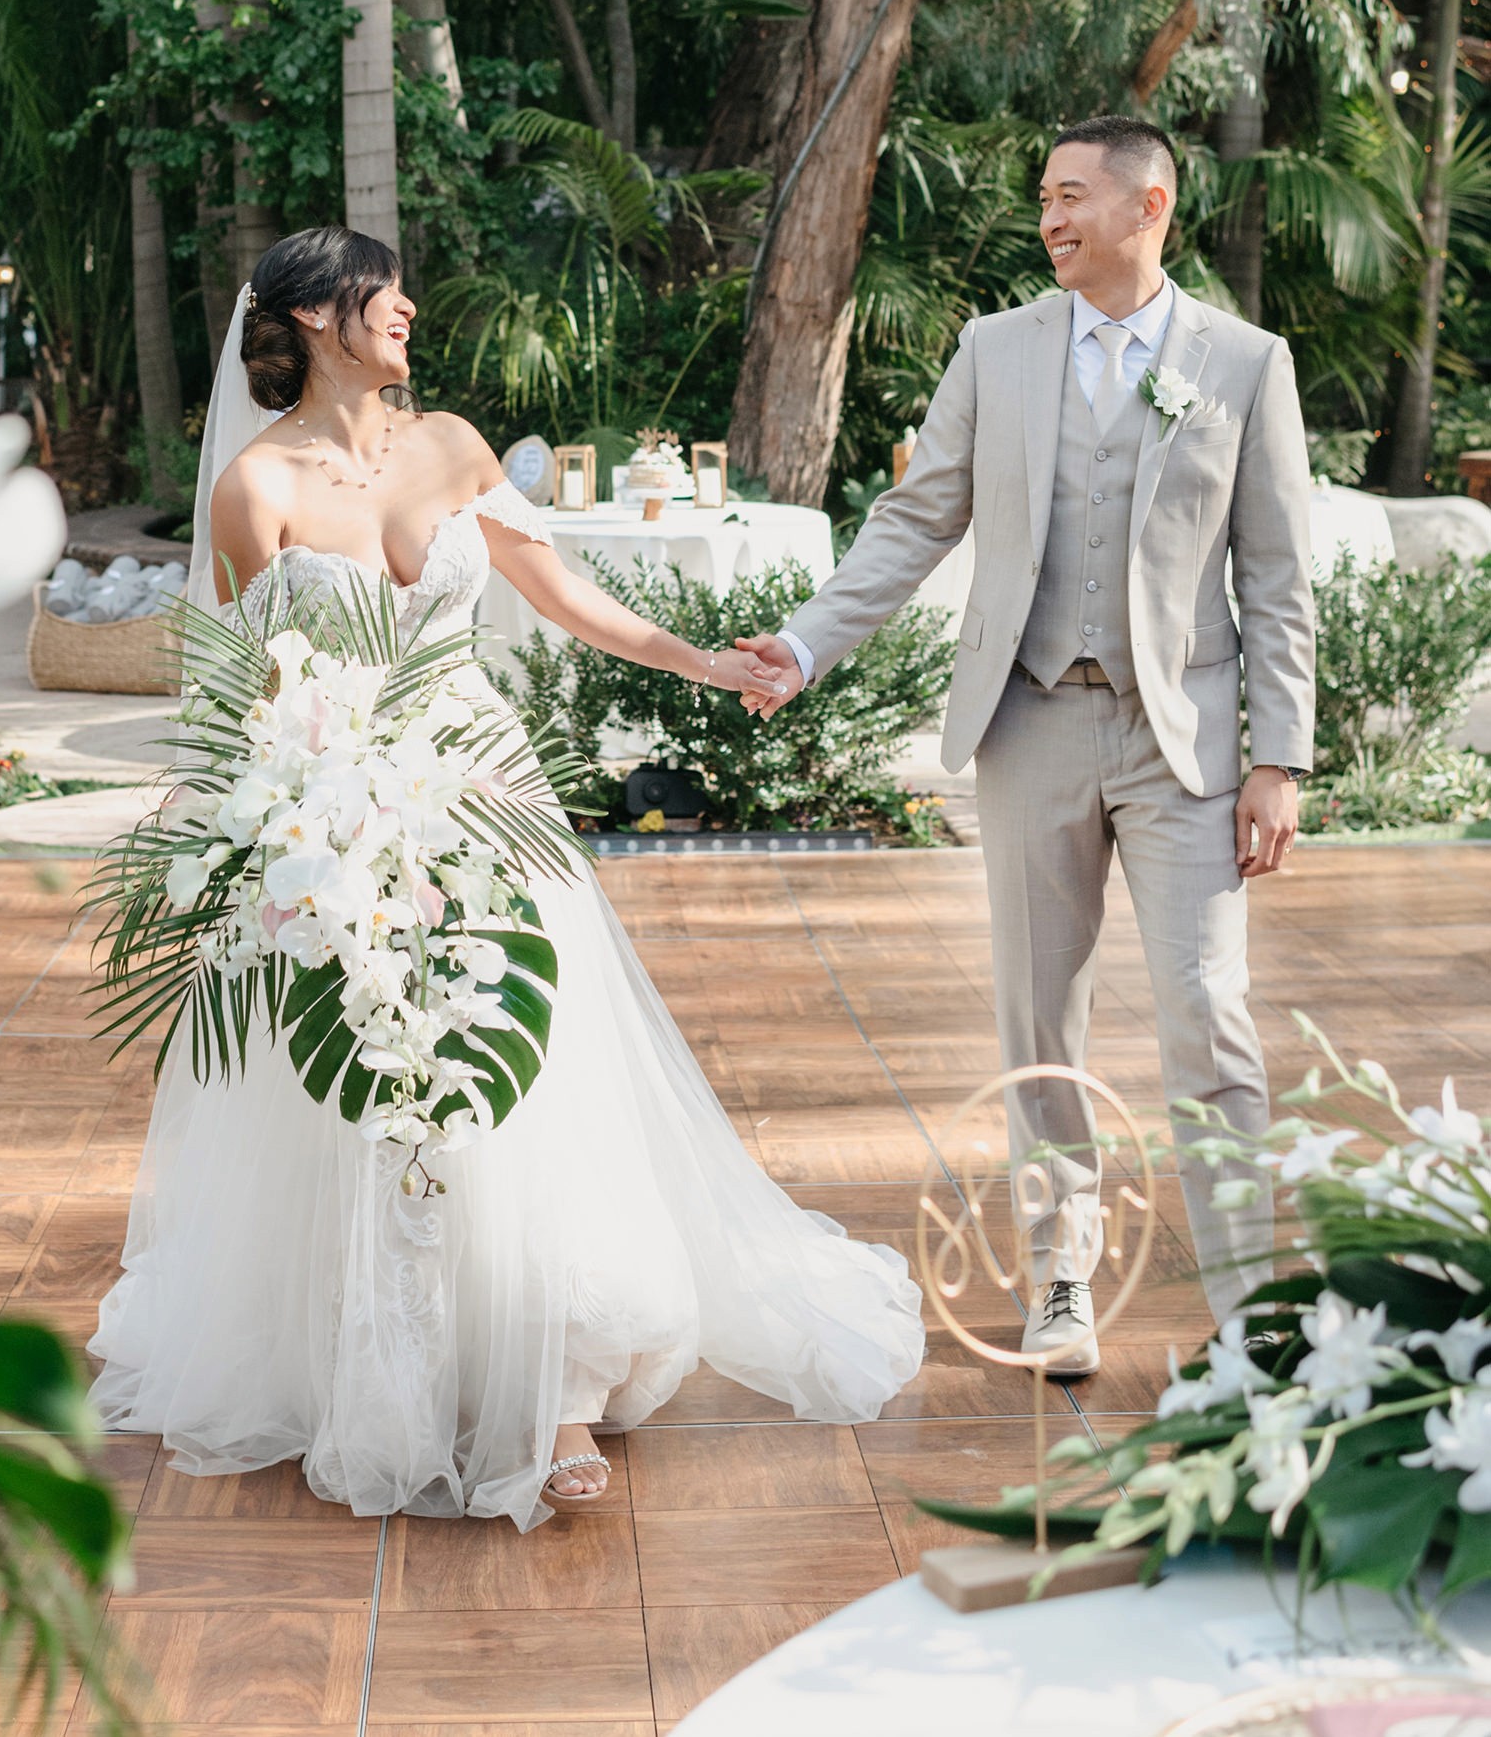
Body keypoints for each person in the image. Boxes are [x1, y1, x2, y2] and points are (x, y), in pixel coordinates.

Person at [91, 225, 924, 1526]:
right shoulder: (252, 488)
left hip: (486, 792)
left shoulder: (454, 446)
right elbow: (255, 689)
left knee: (534, 1064)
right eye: (381, 288)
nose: (407, 304)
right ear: (313, 314)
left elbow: (565, 594)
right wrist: (268, 832)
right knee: (377, 1082)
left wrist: (709, 660)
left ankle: (560, 1384)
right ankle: (399, 1359)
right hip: (348, 813)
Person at [736, 116, 1314, 1360]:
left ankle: (1254, 1310)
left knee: (1208, 1013)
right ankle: (1060, 1278)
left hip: (1188, 741)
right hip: (1032, 719)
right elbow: (915, 515)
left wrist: (1281, 757)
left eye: (1070, 196)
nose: (1047, 217)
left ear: (1148, 203)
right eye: (1042, 196)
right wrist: (806, 641)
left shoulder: (1246, 361)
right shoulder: (995, 349)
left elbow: (1277, 575)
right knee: (1038, 1018)